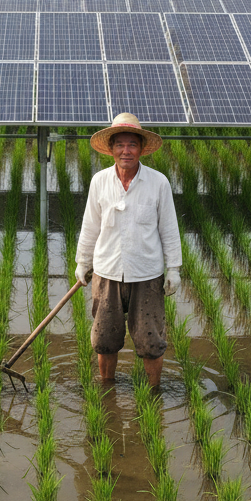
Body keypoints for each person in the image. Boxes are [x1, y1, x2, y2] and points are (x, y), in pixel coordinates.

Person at [74, 113, 182, 388]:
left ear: (142, 149)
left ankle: (153, 393)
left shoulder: (158, 183)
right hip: (107, 272)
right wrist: (82, 262)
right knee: (104, 340)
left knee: (151, 341)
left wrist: (174, 269)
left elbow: (169, 229)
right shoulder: (100, 181)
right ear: (110, 149)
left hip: (146, 274)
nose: (126, 151)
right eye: (120, 144)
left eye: (132, 144)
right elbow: (90, 226)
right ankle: (107, 389)